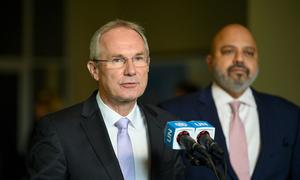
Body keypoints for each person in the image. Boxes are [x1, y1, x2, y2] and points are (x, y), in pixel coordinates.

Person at [27, 19, 185, 180]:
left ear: (148, 64)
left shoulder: (168, 125)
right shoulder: (58, 131)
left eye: (138, 58)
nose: (131, 71)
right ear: (94, 70)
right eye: (117, 60)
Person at [159, 24, 300, 180]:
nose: (239, 59)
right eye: (228, 51)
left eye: (249, 52)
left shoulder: (289, 115)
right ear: (210, 61)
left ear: (257, 60)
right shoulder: (171, 113)